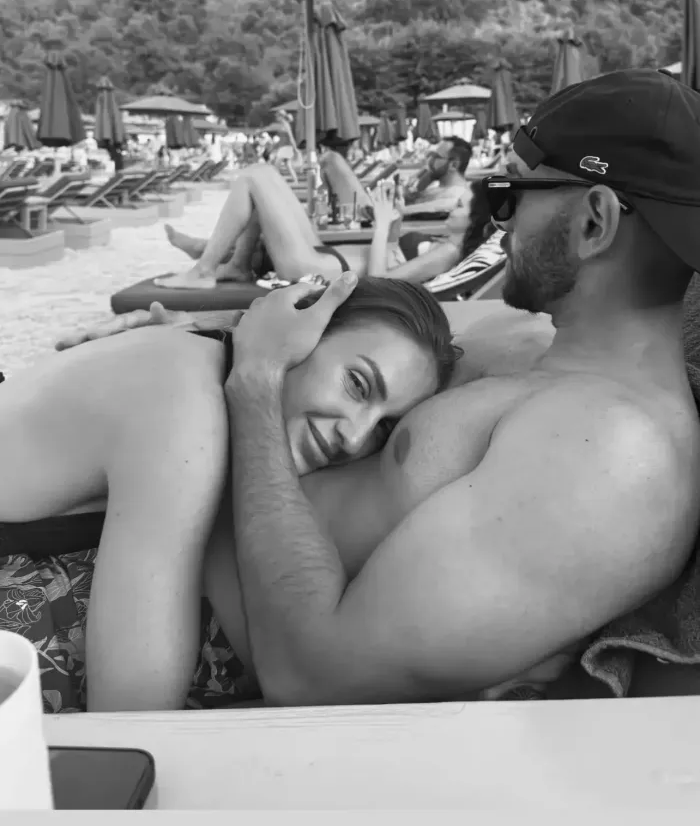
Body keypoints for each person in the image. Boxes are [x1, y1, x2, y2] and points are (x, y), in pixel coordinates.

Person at [57, 68, 700, 707]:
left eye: (511, 193)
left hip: (156, 636)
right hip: (134, 525)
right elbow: (349, 329)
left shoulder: (616, 455)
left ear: (594, 221)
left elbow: (312, 672)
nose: (497, 221)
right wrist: (204, 341)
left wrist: (253, 386)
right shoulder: (525, 339)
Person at [0, 278, 455, 713]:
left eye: (383, 429)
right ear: (298, 335)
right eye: (357, 384)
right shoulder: (186, 414)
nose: (355, 438)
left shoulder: (204, 359)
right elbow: (131, 709)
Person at [157, 161, 492, 290]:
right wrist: (395, 219)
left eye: (460, 206)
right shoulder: (443, 243)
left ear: (475, 220)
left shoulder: (448, 253)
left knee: (254, 178)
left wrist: (380, 226)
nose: (453, 207)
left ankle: (204, 270)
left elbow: (380, 281)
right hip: (324, 256)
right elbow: (392, 253)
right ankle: (237, 265)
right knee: (264, 175)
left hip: (314, 268)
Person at [402, 136, 473, 213]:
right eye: (432, 155)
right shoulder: (441, 189)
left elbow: (403, 211)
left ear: (453, 165)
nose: (430, 160)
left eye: (436, 156)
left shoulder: (453, 197)